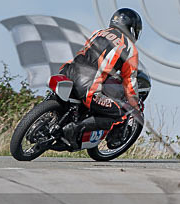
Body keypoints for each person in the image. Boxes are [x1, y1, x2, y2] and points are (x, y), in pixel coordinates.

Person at [58, 8, 143, 146]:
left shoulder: (99, 32)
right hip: (88, 87)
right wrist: (134, 105)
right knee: (120, 114)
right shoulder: (130, 49)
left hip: (67, 71)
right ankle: (75, 129)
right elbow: (129, 82)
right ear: (132, 29)